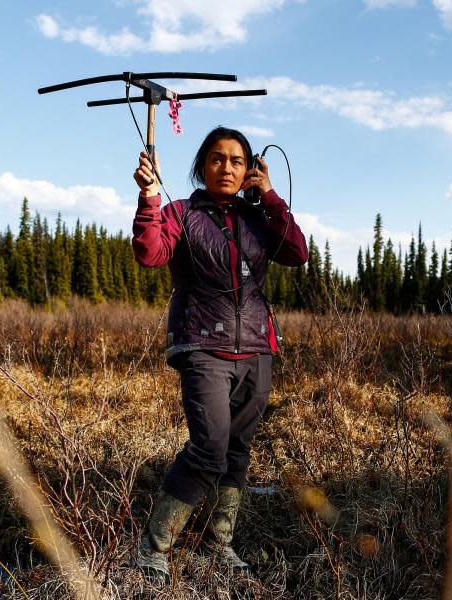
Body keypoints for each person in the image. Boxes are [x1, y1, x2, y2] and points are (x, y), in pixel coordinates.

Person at [130, 126, 308, 584]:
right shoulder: (182, 213)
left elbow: (296, 251)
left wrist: (269, 196)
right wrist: (149, 197)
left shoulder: (257, 217)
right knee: (208, 446)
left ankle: (217, 546)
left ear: (247, 168)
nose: (225, 167)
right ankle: (153, 550)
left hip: (256, 348)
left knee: (236, 450)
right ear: (201, 166)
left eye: (235, 160)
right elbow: (150, 254)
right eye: (216, 158)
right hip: (202, 345)